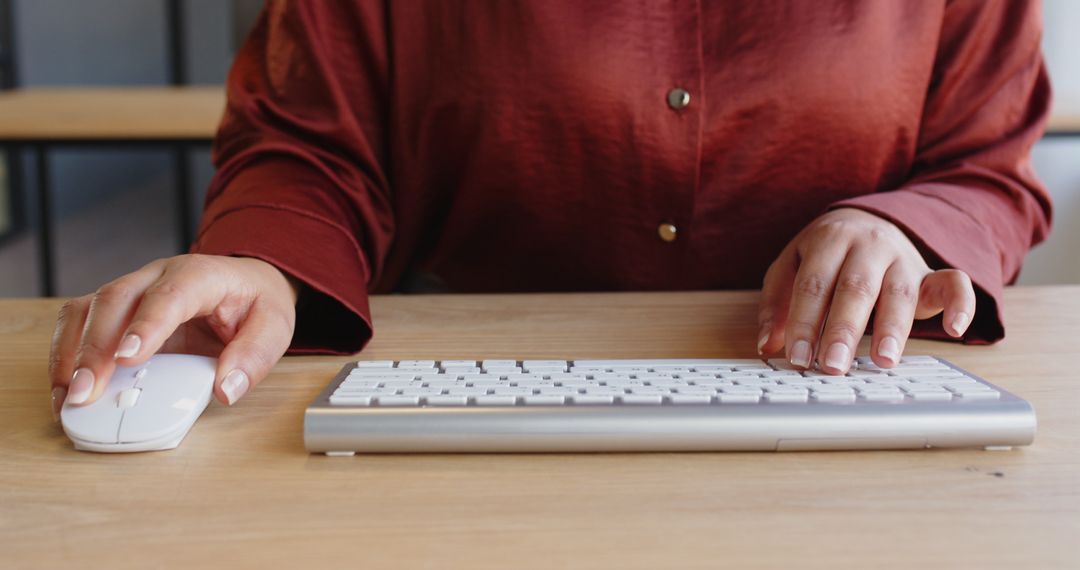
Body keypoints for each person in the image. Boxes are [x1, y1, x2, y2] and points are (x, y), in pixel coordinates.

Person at [48, 1, 1052, 417]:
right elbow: (309, 145)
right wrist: (266, 262)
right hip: (459, 405)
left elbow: (988, 166)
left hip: (843, 401)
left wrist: (903, 226)